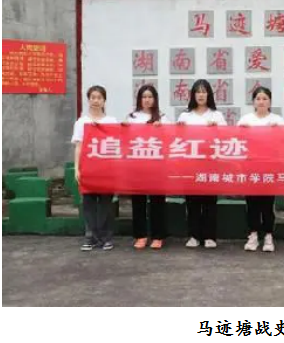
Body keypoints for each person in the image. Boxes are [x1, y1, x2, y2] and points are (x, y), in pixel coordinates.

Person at [177, 79, 226, 249]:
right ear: (193, 95)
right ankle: (194, 235)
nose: (201, 95)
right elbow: (178, 140)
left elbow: (226, 137)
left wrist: (217, 128)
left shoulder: (217, 115)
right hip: (190, 165)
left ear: (209, 94)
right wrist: (179, 129)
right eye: (198, 92)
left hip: (210, 164)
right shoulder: (185, 116)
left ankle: (210, 236)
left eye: (204, 91)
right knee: (192, 202)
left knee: (209, 201)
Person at [238, 87, 284, 252]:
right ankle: (253, 235)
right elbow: (237, 142)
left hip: (270, 168)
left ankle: (268, 235)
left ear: (270, 102)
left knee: (267, 204)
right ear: (253, 102)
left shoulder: (277, 120)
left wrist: (278, 131)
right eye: (258, 98)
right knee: (252, 204)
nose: (261, 102)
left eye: (265, 98)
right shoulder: (246, 120)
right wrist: (242, 132)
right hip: (250, 167)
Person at [72, 85, 118, 251]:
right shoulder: (81, 122)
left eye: (99, 97)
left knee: (106, 205)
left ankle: (106, 238)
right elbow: (78, 147)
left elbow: (117, 144)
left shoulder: (111, 122)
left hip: (106, 170)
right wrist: (76, 168)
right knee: (89, 204)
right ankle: (90, 237)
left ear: (104, 101)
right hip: (88, 169)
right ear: (88, 100)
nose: (96, 101)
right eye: (93, 97)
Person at [124, 85, 169, 250]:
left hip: (157, 166)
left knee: (157, 202)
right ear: (139, 99)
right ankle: (140, 235)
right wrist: (123, 128)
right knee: (138, 202)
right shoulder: (132, 117)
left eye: (150, 97)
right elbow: (125, 139)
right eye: (144, 97)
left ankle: (158, 236)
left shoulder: (162, 117)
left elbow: (171, 138)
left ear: (155, 99)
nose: (147, 100)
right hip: (137, 166)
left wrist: (161, 129)